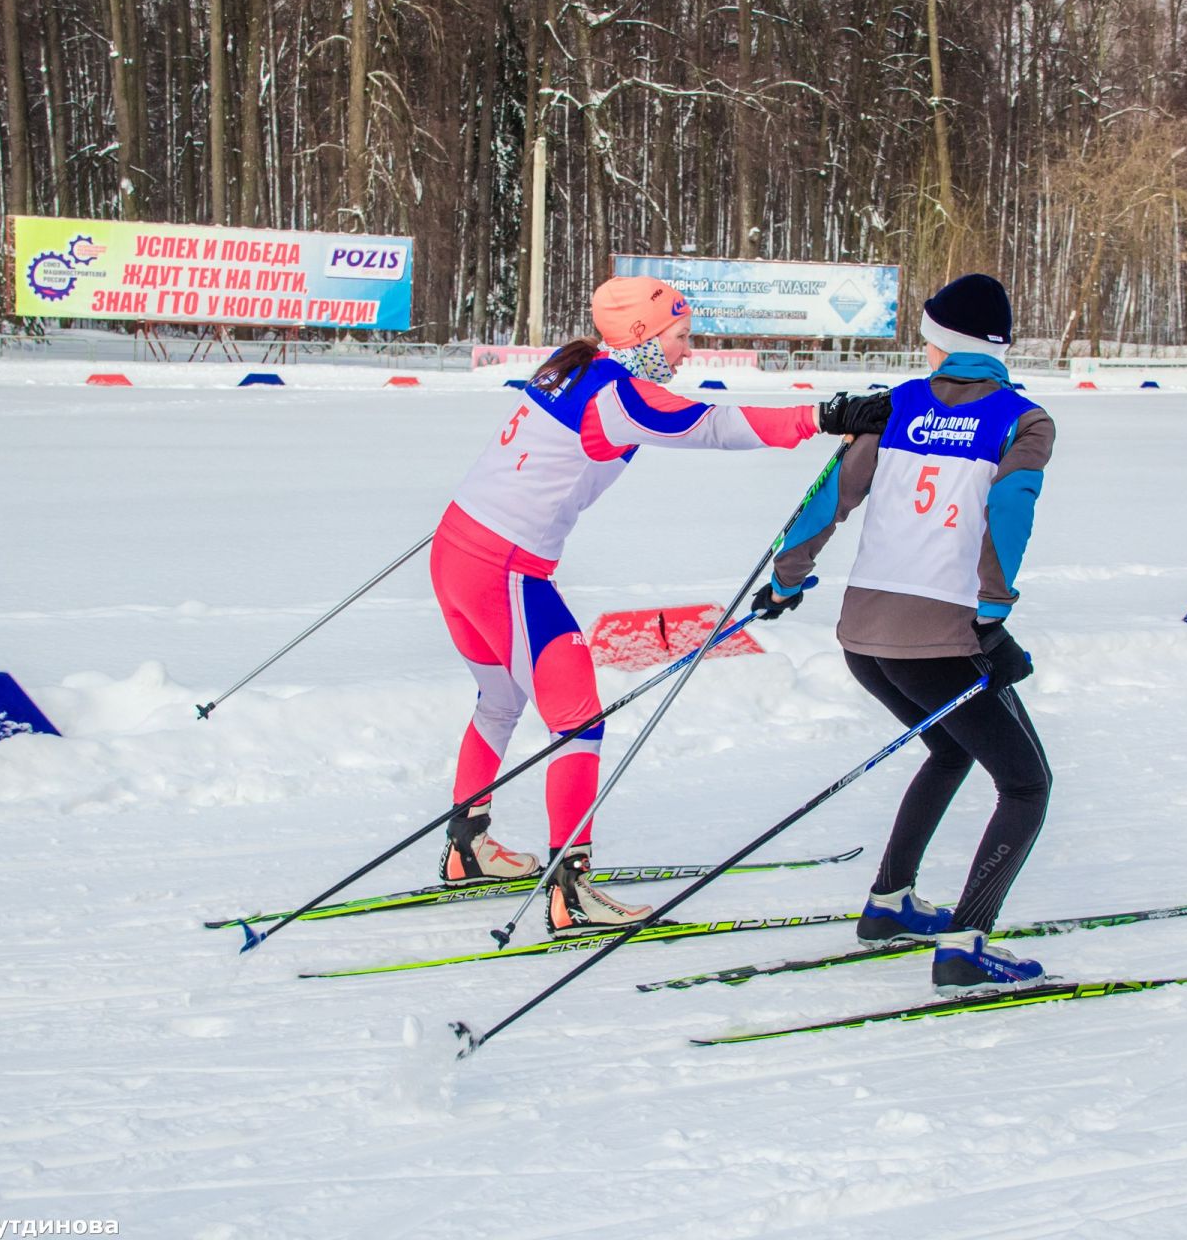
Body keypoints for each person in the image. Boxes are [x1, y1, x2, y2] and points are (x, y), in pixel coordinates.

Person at [431, 275, 892, 935]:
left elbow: (533, 454)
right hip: (505, 570)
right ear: (644, 334)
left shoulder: (578, 369)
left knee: (500, 702)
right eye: (680, 337)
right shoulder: (618, 395)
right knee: (579, 719)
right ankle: (570, 889)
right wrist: (825, 416)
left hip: (457, 550)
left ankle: (466, 847)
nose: (687, 351)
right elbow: (712, 426)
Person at [752, 273, 1055, 994]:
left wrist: (788, 578)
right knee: (1026, 783)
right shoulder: (1024, 418)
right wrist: (993, 610)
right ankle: (966, 943)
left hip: (864, 637)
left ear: (945, 345)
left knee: (949, 750)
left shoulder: (895, 407)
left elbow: (832, 495)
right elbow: (1010, 508)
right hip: (941, 640)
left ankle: (890, 903)